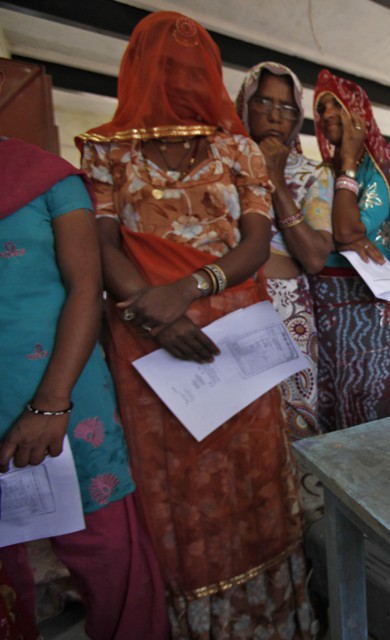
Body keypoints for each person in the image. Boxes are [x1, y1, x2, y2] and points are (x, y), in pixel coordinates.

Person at [77, 13, 313, 637]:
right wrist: (157, 317)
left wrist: (190, 287)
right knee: (175, 485)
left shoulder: (236, 147)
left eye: (194, 68)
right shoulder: (106, 150)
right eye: (168, 67)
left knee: (254, 475)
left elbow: (257, 241)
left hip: (233, 337)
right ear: (139, 71)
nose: (181, 80)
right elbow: (103, 244)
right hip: (147, 336)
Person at [0, 137, 168, 640]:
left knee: (106, 549)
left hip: (60, 386)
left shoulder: (46, 177)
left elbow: (84, 287)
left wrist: (51, 404)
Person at [235, 61, 333, 440]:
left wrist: (275, 178)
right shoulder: (222, 164)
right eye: (264, 102)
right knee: (239, 423)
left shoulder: (311, 174)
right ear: (244, 104)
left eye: (287, 107)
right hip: (227, 304)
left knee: (292, 424)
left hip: (287, 311)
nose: (276, 116)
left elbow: (312, 257)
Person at [312, 69, 390, 431]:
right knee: (332, 395)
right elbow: (336, 235)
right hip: (325, 303)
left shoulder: (388, 171)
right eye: (320, 109)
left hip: (370, 303)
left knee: (369, 400)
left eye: (334, 105)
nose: (325, 116)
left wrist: (351, 162)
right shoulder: (320, 172)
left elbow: (346, 229)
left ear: (358, 114)